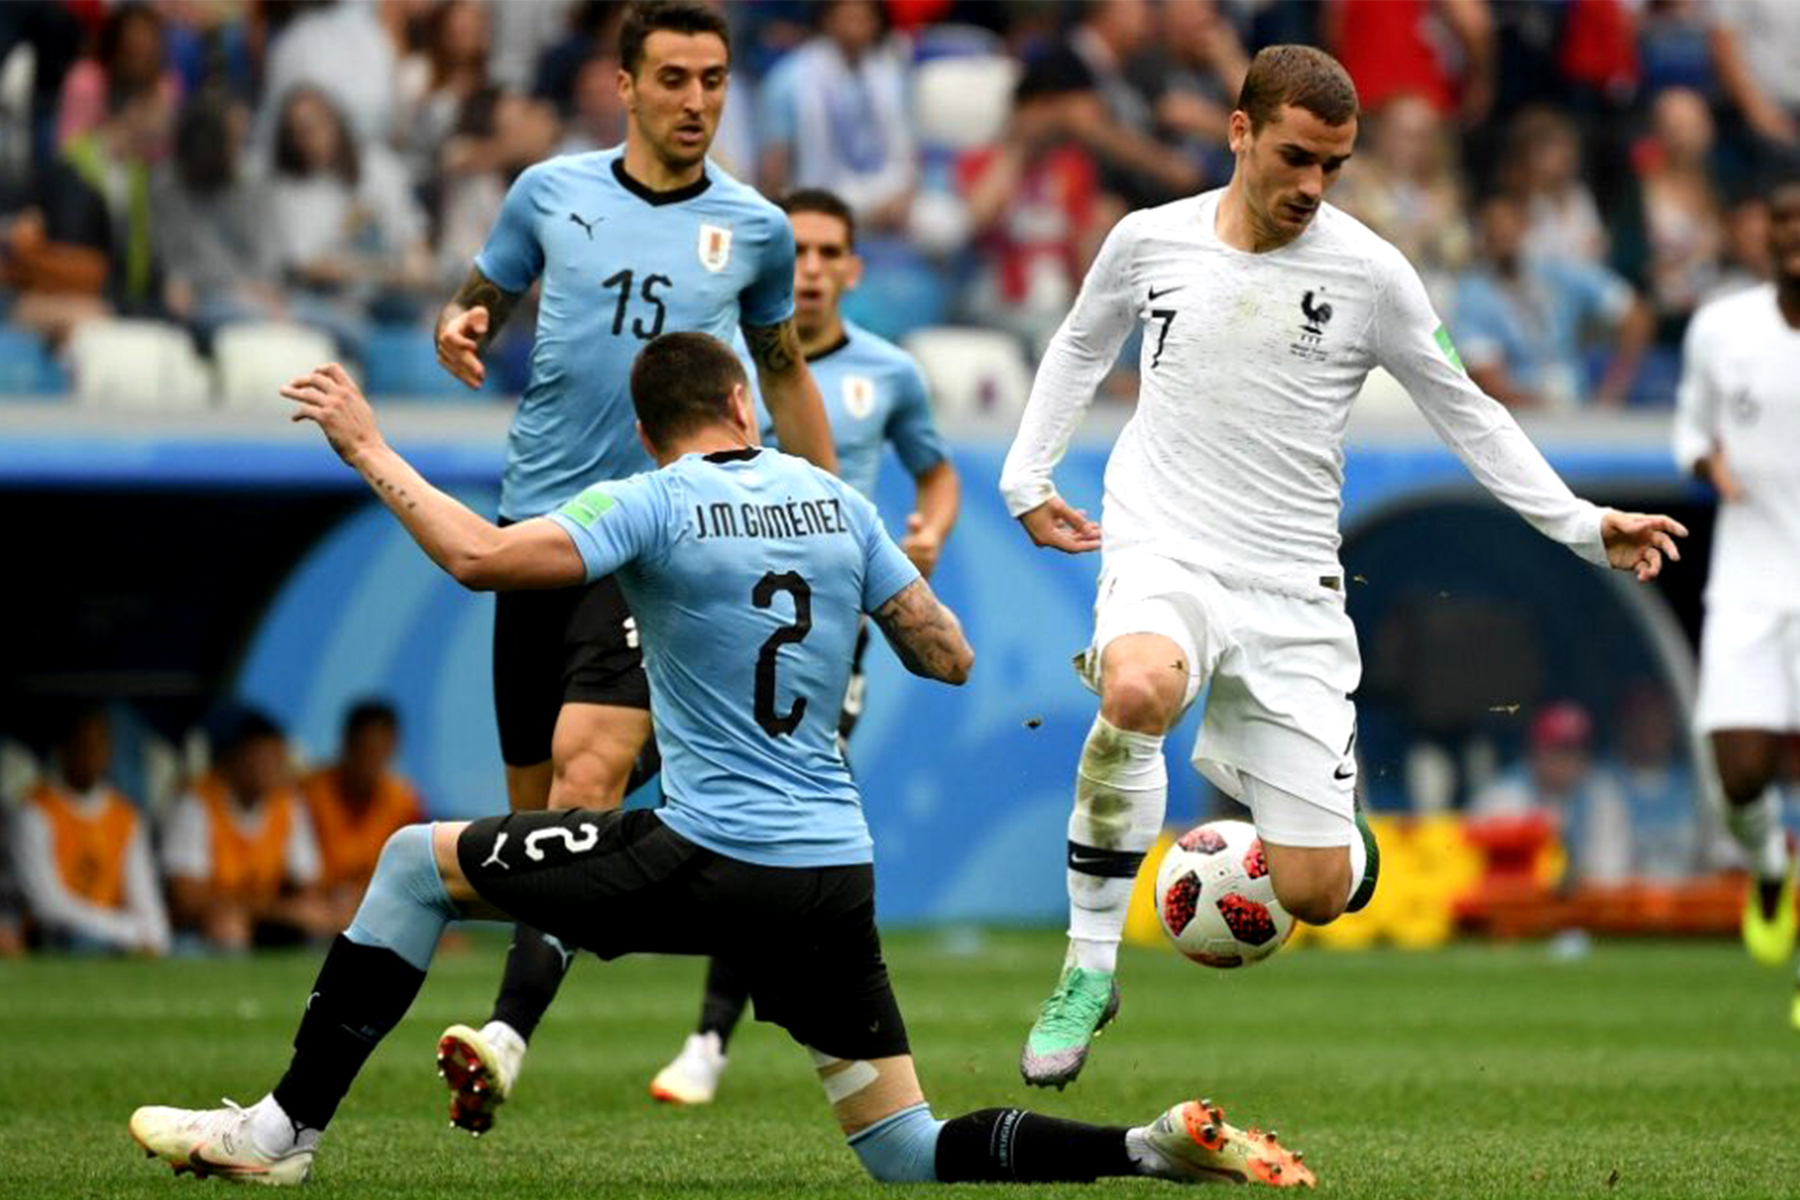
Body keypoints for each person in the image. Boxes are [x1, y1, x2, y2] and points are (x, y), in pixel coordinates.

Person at [126, 335, 1315, 1190]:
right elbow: (948, 656)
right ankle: (1144, 1147)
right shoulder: (836, 502)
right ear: (747, 402)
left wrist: (367, 445)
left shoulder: (651, 499)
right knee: (901, 1152)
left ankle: (282, 1132)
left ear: (650, 431)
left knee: (409, 862)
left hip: (706, 853)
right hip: (833, 874)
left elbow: (481, 558)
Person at [998, 43, 1687, 1089]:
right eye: (1295, 158)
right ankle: (1088, 970)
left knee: (1316, 889)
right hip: (1165, 540)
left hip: (1291, 584)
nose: (1312, 187)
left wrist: (1585, 525)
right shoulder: (1148, 242)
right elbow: (1079, 349)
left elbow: (1469, 412)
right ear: (1239, 133)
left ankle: (1325, 826)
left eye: (1335, 165)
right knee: (1136, 687)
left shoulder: (1369, 272)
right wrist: (1026, 476)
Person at [428, 0, 837, 1134]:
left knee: (586, 771)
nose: (696, 101)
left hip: (658, 539)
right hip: (534, 537)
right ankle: (676, 885)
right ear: (625, 85)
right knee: (533, 843)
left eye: (712, 80)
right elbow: (475, 301)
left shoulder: (754, 229)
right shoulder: (547, 194)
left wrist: (833, 503)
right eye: (673, 79)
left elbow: (781, 369)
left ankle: (503, 1036)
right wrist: (458, 328)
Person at [648, 187, 961, 1106]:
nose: (816, 270)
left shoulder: (889, 373)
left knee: (769, 802)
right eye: (804, 254)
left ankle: (709, 1035)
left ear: (854, 270)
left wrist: (925, 536)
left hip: (823, 628)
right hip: (705, 612)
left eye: (832, 254)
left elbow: (935, 473)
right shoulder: (723, 371)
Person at [1671, 170, 1800, 1025]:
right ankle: (1771, 869)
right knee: (1740, 770)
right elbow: (1688, 424)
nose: (1792, 233)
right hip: (1752, 581)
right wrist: (1703, 463)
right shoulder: (1722, 328)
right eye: (1782, 219)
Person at [1452, 192, 1651, 409]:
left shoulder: (1558, 273)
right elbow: (1488, 379)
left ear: (1525, 227)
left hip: (1578, 408)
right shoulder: (1473, 296)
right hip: (1518, 416)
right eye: (1495, 234)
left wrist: (1612, 392)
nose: (1504, 239)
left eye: (1509, 230)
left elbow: (1635, 315)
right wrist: (1548, 407)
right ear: (1483, 238)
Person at [161, 709, 334, 953]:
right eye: (261, 759)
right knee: (227, 927)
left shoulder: (286, 805)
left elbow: (310, 886)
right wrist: (270, 909)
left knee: (321, 917)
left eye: (277, 759)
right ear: (235, 759)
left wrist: (280, 911)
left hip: (263, 919)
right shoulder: (197, 803)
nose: (271, 769)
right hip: (196, 929)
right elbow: (187, 899)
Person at [12, 708, 168, 955]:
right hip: (60, 938)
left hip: (117, 937)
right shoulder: (36, 811)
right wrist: (125, 931)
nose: (92, 754)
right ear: (63, 750)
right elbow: (48, 905)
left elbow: (146, 901)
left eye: (99, 744)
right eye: (83, 744)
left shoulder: (125, 816)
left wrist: (150, 934)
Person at [301, 700, 426, 928]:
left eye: (382, 751)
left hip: (370, 903)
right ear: (347, 746)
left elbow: (409, 876)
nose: (373, 761)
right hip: (315, 904)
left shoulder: (404, 800)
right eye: (366, 750)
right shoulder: (310, 794)